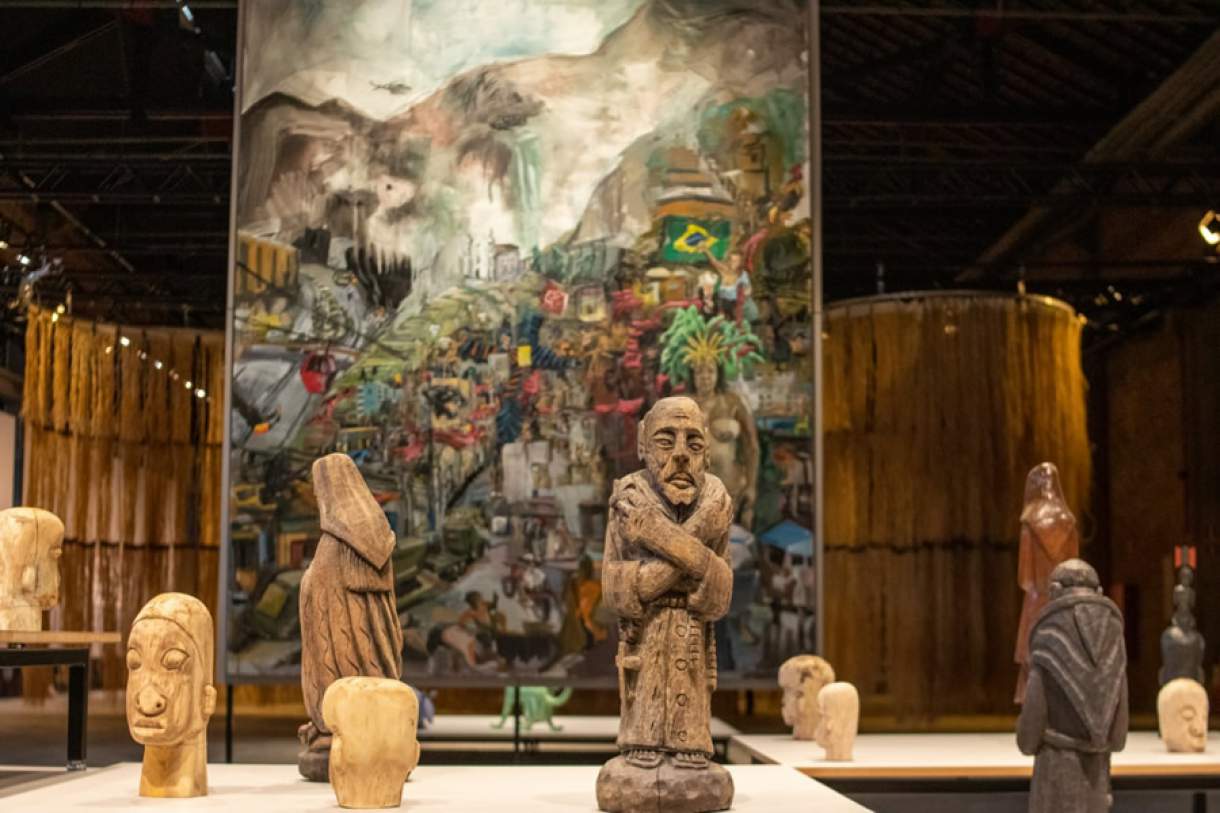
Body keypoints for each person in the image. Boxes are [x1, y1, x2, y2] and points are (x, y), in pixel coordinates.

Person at [601, 397, 734, 770]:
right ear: (643, 445)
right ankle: (642, 741)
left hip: (692, 635)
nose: (680, 454)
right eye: (665, 440)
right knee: (647, 706)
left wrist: (655, 535)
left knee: (688, 713)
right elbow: (615, 586)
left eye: (693, 442)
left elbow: (721, 591)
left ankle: (690, 743)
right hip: (646, 634)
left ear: (707, 453)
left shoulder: (716, 498)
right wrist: (700, 534)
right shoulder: (630, 497)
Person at [1017, 559, 1127, 813]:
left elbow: (1028, 738)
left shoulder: (1048, 636)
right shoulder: (1114, 639)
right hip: (1096, 779)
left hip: (1055, 776)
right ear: (1098, 592)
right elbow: (1118, 738)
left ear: (1055, 591)